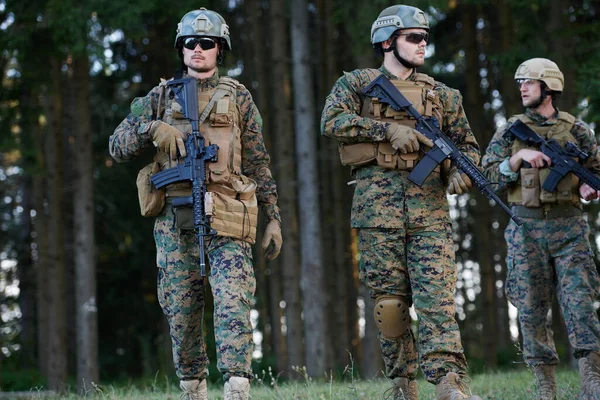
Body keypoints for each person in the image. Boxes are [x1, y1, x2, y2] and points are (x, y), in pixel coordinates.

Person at [109, 8, 282, 400]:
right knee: (181, 311)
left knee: (233, 300)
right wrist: (151, 128)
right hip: (174, 218)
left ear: (220, 49)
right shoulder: (161, 96)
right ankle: (193, 389)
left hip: (228, 214)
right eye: (191, 43)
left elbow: (258, 161)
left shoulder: (238, 97)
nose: (198, 49)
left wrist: (273, 217)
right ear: (181, 49)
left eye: (207, 43)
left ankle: (237, 387)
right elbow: (116, 146)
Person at [321, 5, 482, 400]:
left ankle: (448, 384)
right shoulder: (359, 83)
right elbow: (331, 121)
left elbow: (468, 147)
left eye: (425, 37)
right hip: (377, 213)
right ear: (388, 41)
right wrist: (386, 129)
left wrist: (462, 173)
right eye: (414, 37)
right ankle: (402, 385)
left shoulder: (443, 95)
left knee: (437, 300)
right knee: (390, 306)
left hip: (429, 211)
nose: (423, 43)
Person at [482, 57, 600, 400]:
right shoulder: (510, 130)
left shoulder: (577, 129)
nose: (522, 87)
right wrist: (517, 159)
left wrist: (587, 188)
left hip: (570, 229)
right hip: (526, 230)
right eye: (520, 82)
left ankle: (592, 382)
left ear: (548, 88)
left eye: (529, 82)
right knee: (531, 309)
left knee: (580, 304)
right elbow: (487, 176)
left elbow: (595, 171)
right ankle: (545, 387)